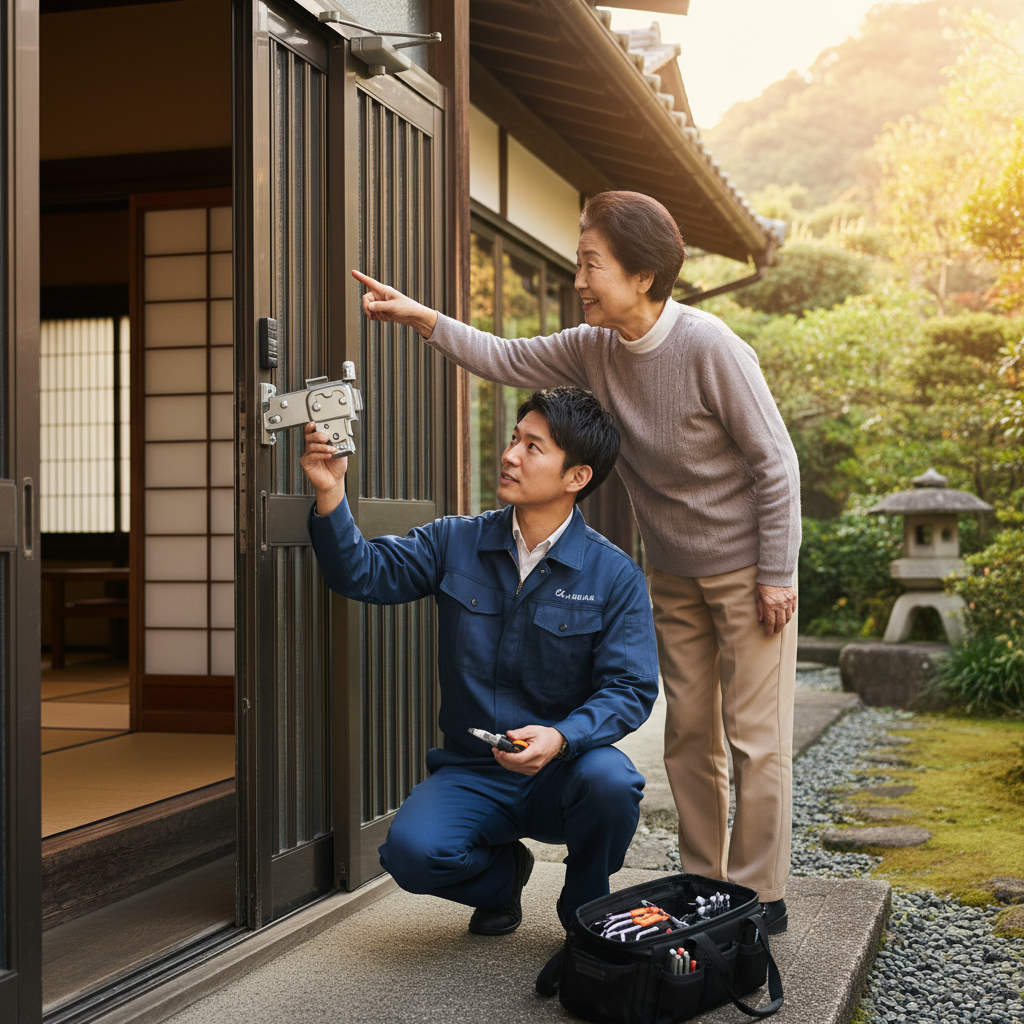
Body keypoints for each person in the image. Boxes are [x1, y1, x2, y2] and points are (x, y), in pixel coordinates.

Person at [350, 189, 801, 936]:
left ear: (643, 277)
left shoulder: (710, 345)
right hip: (675, 569)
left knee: (755, 736)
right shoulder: (594, 349)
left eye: (591, 264)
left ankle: (760, 896)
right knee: (690, 735)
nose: (579, 279)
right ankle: (705, 882)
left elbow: (774, 463)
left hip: (750, 568)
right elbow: (503, 355)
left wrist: (777, 571)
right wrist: (421, 317)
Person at [302, 385, 659, 991]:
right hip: (474, 766)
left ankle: (584, 901)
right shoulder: (455, 541)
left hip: (563, 769)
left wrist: (563, 736)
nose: (511, 455)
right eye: (515, 439)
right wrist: (330, 492)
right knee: (411, 855)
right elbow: (361, 573)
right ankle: (503, 877)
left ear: (576, 475)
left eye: (532, 447)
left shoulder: (613, 574)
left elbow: (630, 688)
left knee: (613, 782)